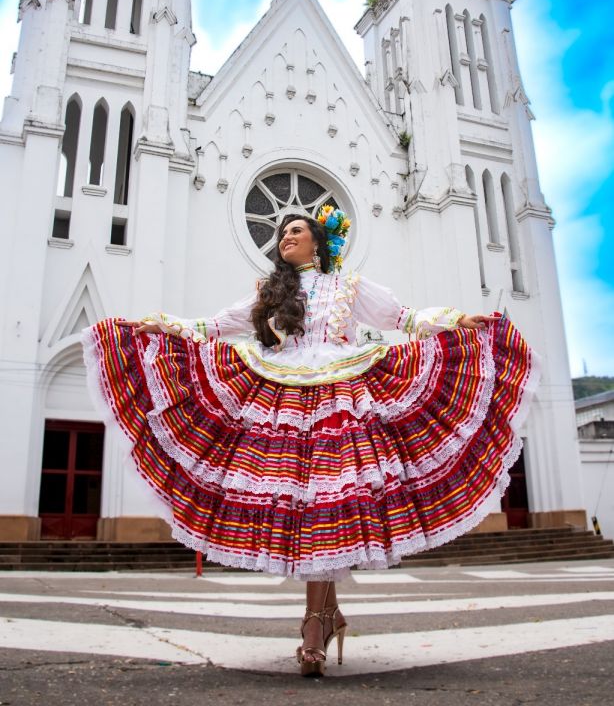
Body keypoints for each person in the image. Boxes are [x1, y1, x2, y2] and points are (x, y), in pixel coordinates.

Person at [82, 207, 540, 677]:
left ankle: (314, 625)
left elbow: (402, 318)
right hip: (282, 394)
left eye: (295, 231)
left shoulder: (349, 286)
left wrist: (457, 321)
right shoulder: (270, 290)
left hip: (342, 395)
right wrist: (167, 327)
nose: (285, 237)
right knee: (311, 508)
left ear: (318, 243)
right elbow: (218, 325)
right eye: (281, 232)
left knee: (325, 503)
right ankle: (325, 616)